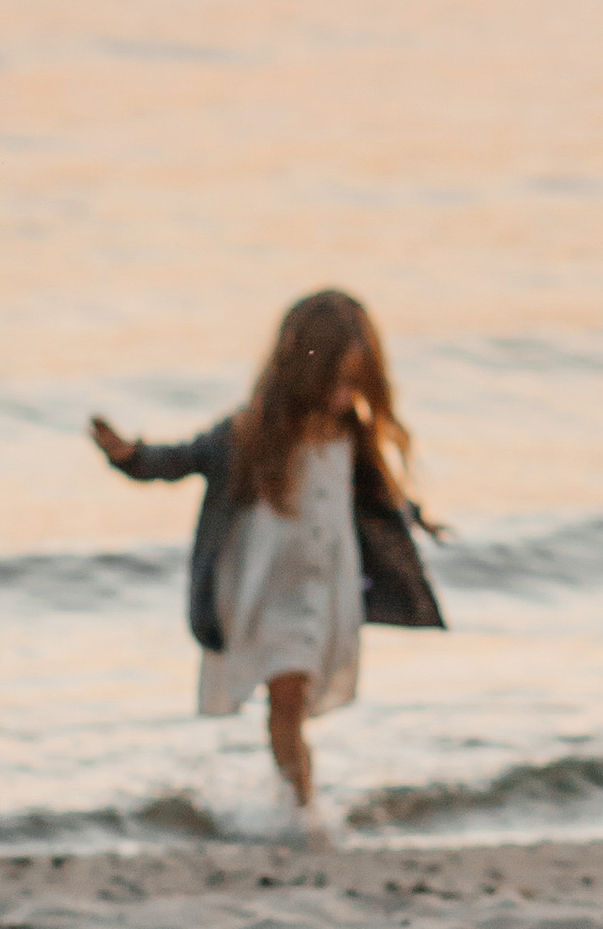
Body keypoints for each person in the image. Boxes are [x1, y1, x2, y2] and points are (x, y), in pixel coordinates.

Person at [90, 288, 443, 810]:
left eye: (356, 383)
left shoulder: (350, 433)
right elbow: (179, 460)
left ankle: (292, 799)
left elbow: (375, 496)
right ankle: (301, 808)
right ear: (304, 374)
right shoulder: (247, 434)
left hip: (325, 593)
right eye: (337, 382)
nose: (347, 395)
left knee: (292, 701)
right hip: (268, 593)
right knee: (288, 695)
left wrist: (412, 516)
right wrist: (129, 456)